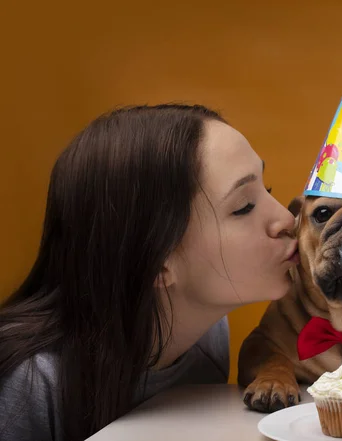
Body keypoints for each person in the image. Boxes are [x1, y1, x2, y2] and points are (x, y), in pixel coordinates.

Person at [0, 104, 298, 441]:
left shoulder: (207, 335)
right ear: (157, 262)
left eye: (267, 189)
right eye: (243, 207)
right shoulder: (29, 384)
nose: (288, 220)